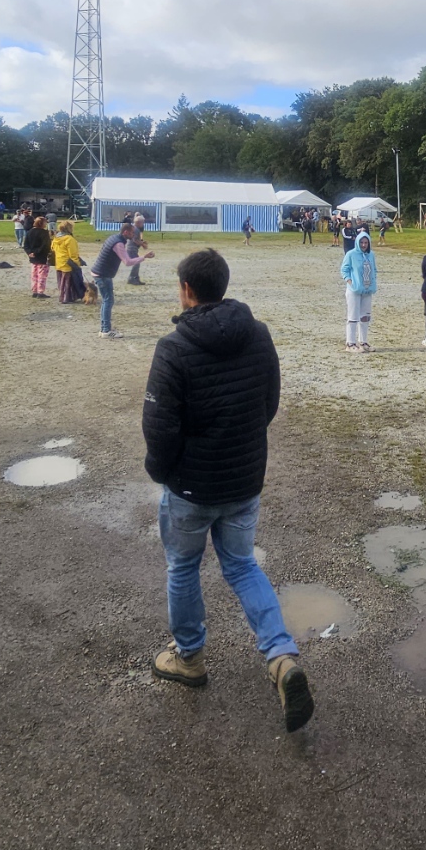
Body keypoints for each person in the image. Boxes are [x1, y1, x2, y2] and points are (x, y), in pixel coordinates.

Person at [142, 247, 313, 730]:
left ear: (188, 290)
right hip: (242, 481)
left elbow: (159, 427)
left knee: (183, 566)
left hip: (192, 488)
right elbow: (269, 401)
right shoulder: (257, 335)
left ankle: (190, 658)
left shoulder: (173, 347)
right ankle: (280, 656)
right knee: (241, 565)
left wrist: (163, 471)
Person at [91, 226, 152, 336]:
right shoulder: (118, 243)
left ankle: (104, 328)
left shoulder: (114, 238)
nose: (133, 234)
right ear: (125, 232)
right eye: (132, 233)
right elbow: (127, 262)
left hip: (100, 273)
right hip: (102, 274)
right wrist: (144, 257)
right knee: (108, 301)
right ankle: (106, 330)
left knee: (106, 301)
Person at [340, 229, 377, 353]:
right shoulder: (351, 254)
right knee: (353, 317)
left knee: (365, 317)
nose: (364, 245)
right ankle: (350, 343)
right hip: (354, 291)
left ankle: (363, 341)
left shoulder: (371, 255)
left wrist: (372, 282)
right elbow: (344, 270)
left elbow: (374, 269)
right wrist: (351, 282)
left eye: (366, 243)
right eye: (361, 242)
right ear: (357, 242)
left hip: (367, 290)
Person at [51, 220, 86, 304]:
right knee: (69, 282)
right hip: (68, 263)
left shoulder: (56, 238)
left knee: (61, 281)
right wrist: (77, 264)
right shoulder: (70, 239)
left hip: (59, 262)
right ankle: (68, 297)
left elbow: (52, 249)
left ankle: (62, 296)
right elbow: (73, 254)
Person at [24, 216, 53, 297]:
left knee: (34, 274)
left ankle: (34, 291)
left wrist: (30, 252)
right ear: (42, 223)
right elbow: (45, 245)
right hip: (42, 257)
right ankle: (40, 292)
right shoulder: (44, 233)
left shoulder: (30, 232)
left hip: (33, 257)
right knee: (42, 275)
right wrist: (37, 252)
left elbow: (26, 244)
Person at [126, 214, 148, 286]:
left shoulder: (136, 229)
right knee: (136, 263)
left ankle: (136, 278)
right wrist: (142, 244)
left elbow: (136, 240)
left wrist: (142, 242)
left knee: (137, 262)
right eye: (142, 222)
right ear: (139, 222)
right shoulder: (135, 229)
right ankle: (132, 278)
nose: (143, 224)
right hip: (131, 248)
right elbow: (134, 240)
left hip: (133, 248)